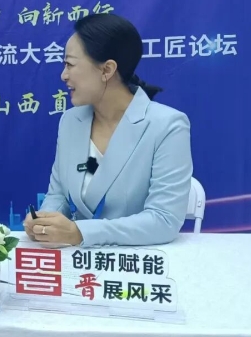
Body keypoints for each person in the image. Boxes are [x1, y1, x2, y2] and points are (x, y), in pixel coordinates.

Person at [24, 14, 193, 247]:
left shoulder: (167, 126)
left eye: (70, 64)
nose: (64, 75)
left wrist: (80, 232)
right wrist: (44, 222)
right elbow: (59, 195)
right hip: (78, 261)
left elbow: (164, 220)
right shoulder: (71, 121)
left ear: (107, 69)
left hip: (138, 262)